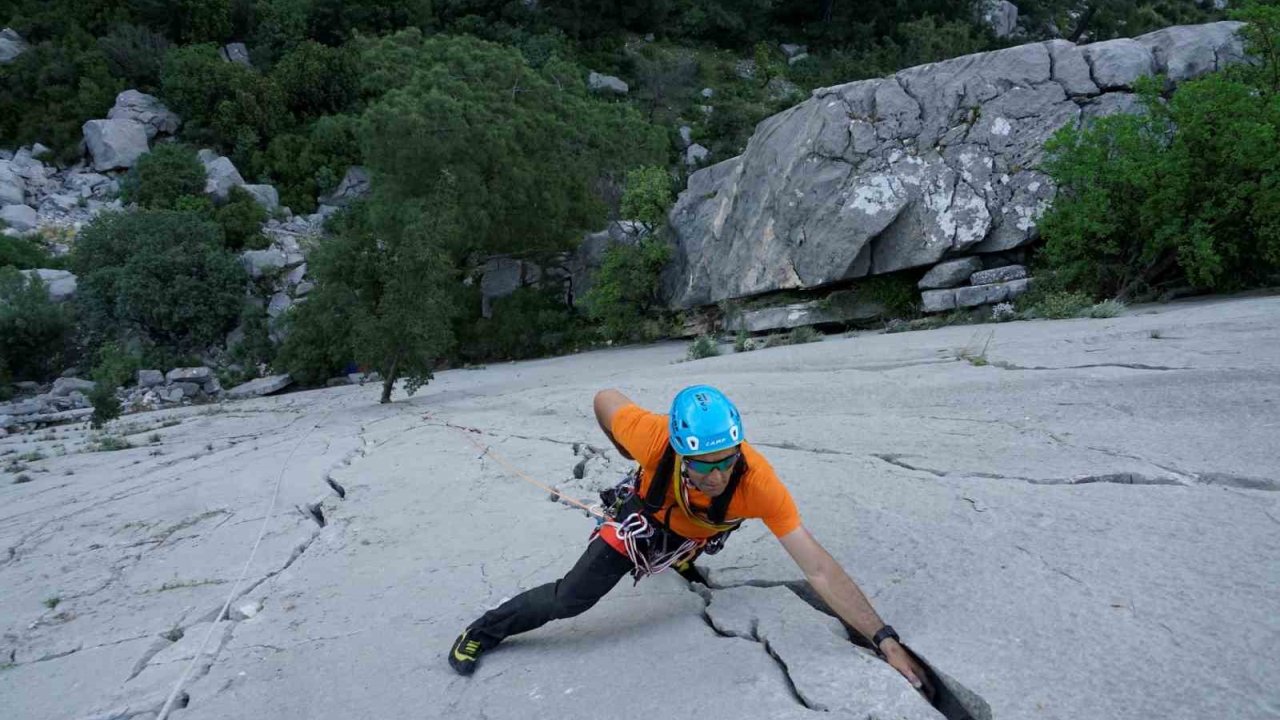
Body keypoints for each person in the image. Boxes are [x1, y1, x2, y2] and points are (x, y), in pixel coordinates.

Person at [449, 384, 928, 692]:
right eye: (704, 464)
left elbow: (818, 567)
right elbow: (604, 398)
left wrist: (884, 640)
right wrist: (629, 453)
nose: (718, 474)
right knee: (571, 598)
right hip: (641, 519)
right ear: (680, 451)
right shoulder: (654, 437)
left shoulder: (759, 484)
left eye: (727, 460)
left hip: (694, 533)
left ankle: (680, 554)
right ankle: (483, 630)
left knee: (697, 530)